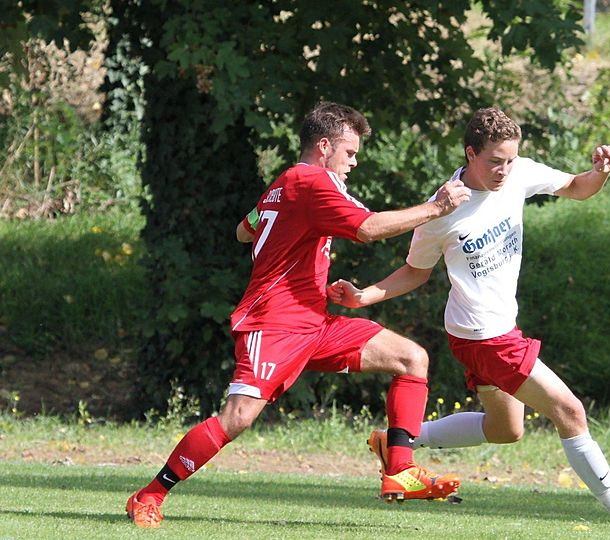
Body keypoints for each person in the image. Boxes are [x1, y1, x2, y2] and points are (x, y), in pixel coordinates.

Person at [125, 101, 472, 528]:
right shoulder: (311, 182)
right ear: (324, 146)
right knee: (237, 419)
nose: (355, 162)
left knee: (411, 358)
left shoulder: (287, 183)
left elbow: (243, 229)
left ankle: (399, 470)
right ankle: (149, 495)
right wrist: (436, 207)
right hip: (273, 324)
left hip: (314, 322)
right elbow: (367, 229)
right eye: (350, 152)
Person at [327, 107, 610, 536]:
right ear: (470, 153)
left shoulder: (520, 173)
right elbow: (416, 271)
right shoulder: (445, 207)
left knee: (505, 429)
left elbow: (579, 188)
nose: (504, 170)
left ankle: (398, 439)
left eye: (510, 160)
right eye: (494, 161)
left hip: (498, 330)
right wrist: (366, 295)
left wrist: (600, 171)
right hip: (483, 338)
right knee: (570, 411)